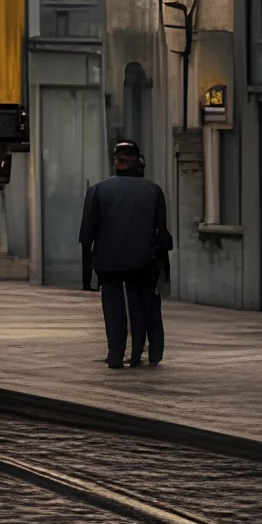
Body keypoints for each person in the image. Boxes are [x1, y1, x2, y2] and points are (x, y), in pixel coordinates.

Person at [79, 138, 172, 369]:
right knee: (146, 305)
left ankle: (115, 354)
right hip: (144, 260)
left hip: (108, 262)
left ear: (115, 162)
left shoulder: (97, 190)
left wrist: (86, 274)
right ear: (138, 161)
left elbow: (86, 235)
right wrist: (164, 267)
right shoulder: (153, 190)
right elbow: (161, 233)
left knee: (113, 309)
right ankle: (150, 353)